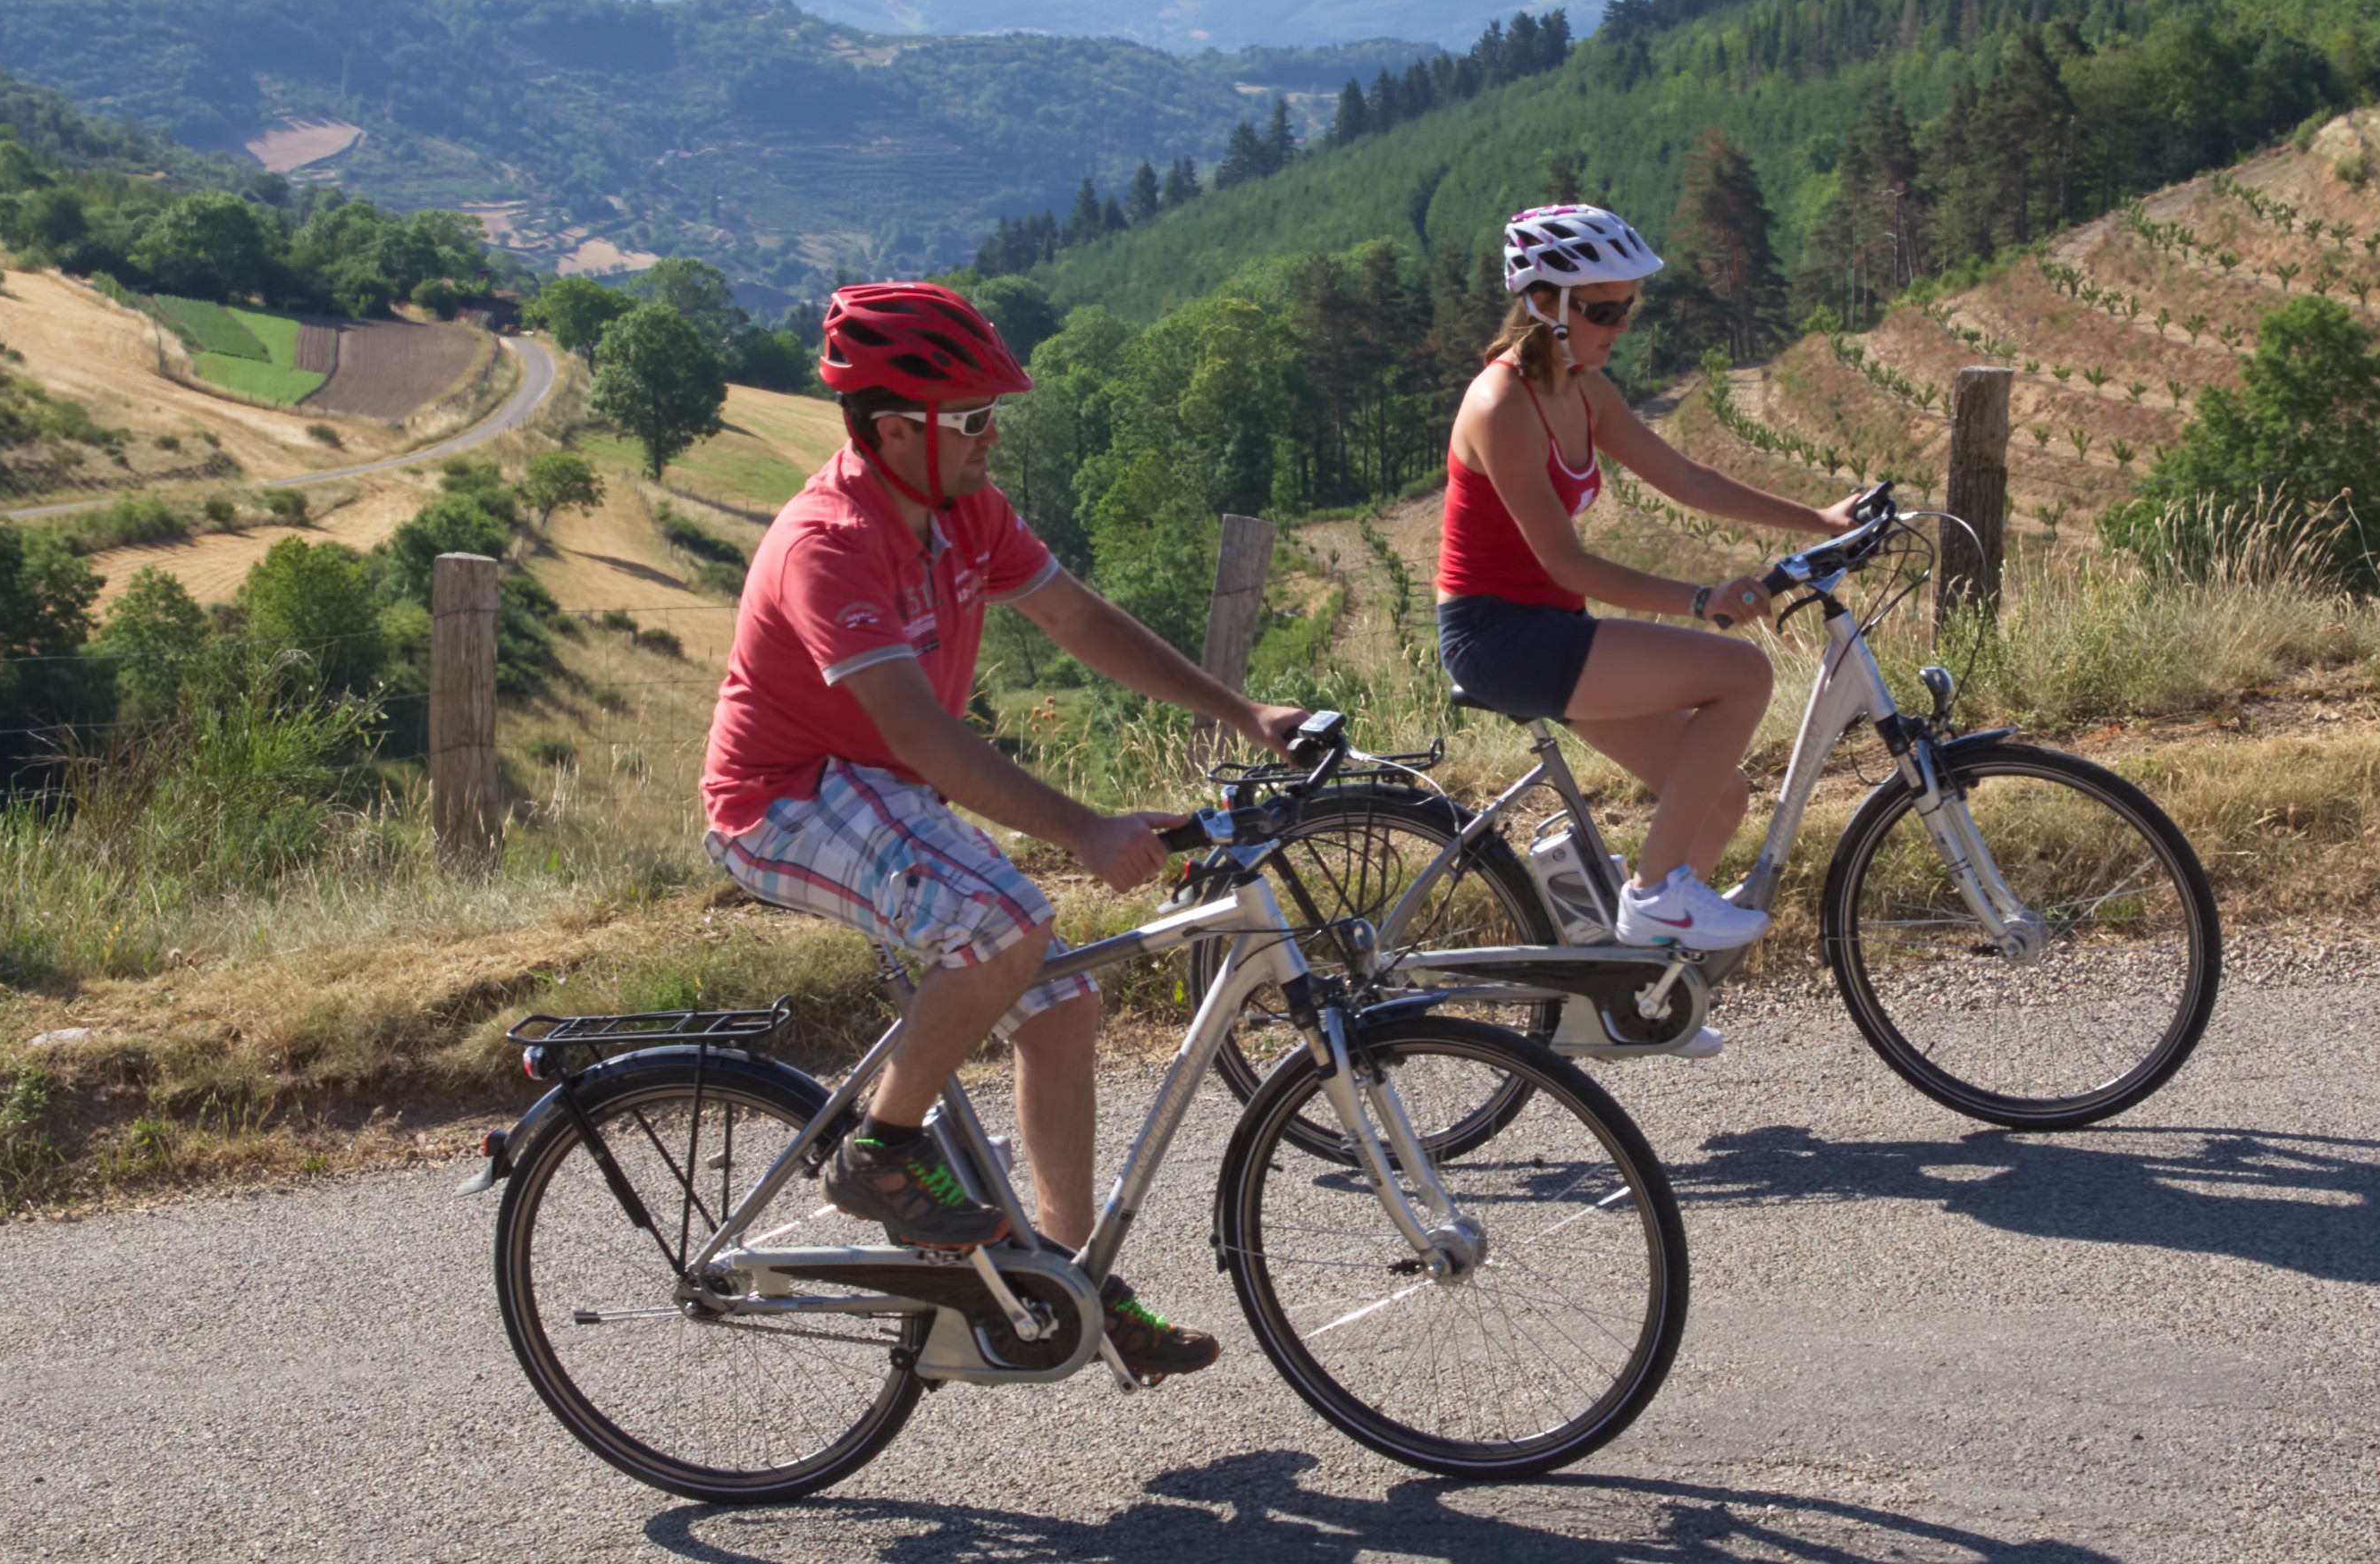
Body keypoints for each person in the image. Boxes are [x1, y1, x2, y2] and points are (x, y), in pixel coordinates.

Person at [703, 280, 1299, 1375]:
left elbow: (1077, 620)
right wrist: (1082, 827)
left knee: (1063, 998)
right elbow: (924, 737)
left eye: (992, 414)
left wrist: (1241, 710)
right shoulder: (825, 545)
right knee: (1006, 920)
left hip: (880, 791)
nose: (993, 436)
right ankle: (879, 1152)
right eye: (972, 419)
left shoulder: (966, 509)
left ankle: (1059, 1280)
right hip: (782, 798)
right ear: (893, 431)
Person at [1437, 202, 1854, 954]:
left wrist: (1818, 519)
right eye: (1603, 311)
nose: (1619, 327)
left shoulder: (1584, 387)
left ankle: (1645, 989)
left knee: (1719, 798)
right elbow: (1568, 563)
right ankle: (1654, 895)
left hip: (1551, 630)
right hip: (1500, 637)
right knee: (1741, 673)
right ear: (1543, 303)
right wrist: (1702, 601)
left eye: (1627, 308)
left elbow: (1686, 480)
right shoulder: (1502, 406)